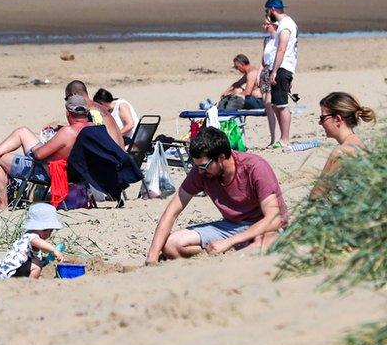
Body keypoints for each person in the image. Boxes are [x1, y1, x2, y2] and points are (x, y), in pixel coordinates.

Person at [145, 127, 288, 263]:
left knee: (261, 246)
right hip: (231, 226)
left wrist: (229, 242)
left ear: (221, 157)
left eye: (204, 166)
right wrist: (152, 256)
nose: (200, 172)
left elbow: (273, 219)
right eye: (197, 166)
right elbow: (171, 212)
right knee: (171, 245)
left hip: (264, 226)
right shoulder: (201, 171)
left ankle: (230, 255)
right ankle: (217, 257)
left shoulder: (255, 167)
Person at [0, 94, 94, 208]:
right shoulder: (92, 129)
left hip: (51, 171)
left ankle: (2, 204)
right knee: (23, 132)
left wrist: (40, 146)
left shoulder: (67, 132)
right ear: (86, 112)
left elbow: (39, 155)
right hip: (79, 173)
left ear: (68, 113)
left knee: (0, 159)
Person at [310, 92, 377, 198]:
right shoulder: (364, 143)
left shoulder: (341, 152)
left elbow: (317, 194)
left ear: (337, 119)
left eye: (322, 118)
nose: (320, 123)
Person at [0, 203, 65, 280]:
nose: (48, 234)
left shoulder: (27, 234)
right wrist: (54, 250)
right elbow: (36, 241)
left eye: (51, 231)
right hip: (12, 272)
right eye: (45, 230)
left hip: (3, 271)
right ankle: (30, 285)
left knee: (36, 260)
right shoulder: (32, 236)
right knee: (37, 266)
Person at [264, 0, 298, 149]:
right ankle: (281, 138)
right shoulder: (283, 24)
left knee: (282, 104)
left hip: (283, 68)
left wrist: (275, 71)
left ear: (272, 9)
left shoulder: (285, 25)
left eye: (267, 11)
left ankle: (285, 139)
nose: (267, 15)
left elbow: (281, 49)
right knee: (276, 104)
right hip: (279, 67)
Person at [64, 80, 123, 146]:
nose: (67, 102)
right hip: (120, 153)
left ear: (73, 95)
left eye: (67, 99)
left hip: (110, 154)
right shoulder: (98, 107)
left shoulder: (91, 112)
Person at [259, 18, 279, 145]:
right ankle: (273, 137)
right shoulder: (267, 40)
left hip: (274, 71)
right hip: (265, 72)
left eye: (267, 24)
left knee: (273, 104)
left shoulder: (279, 39)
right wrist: (258, 74)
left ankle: (279, 137)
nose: (264, 26)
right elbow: (263, 60)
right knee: (267, 104)